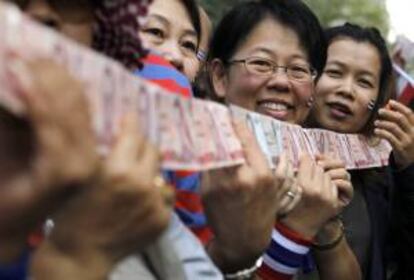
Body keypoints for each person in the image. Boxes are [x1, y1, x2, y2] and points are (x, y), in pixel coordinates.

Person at [0, 0, 222, 279]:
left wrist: (239, 251)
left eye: (67, 4)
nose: (41, 15)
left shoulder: (120, 184)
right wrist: (74, 261)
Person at [205, 0, 360, 279]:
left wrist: (326, 221)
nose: (281, 81)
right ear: (220, 76)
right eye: (261, 63)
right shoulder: (197, 169)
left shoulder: (311, 170)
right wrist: (299, 227)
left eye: (298, 70)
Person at [308, 22, 414, 280]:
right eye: (334, 72)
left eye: (364, 81)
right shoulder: (262, 150)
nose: (346, 90)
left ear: (378, 99)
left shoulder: (384, 176)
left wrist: (409, 171)